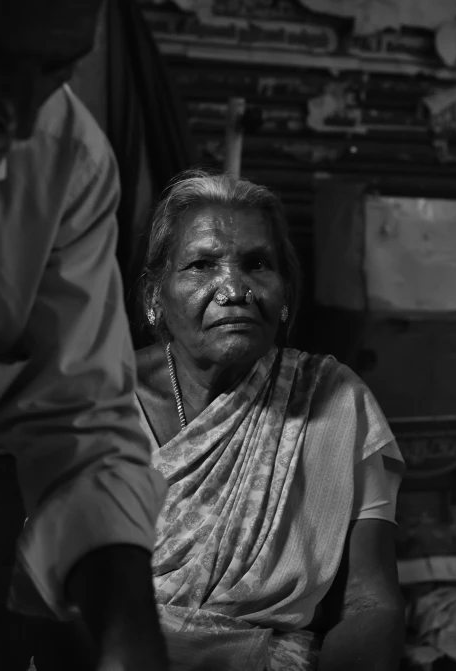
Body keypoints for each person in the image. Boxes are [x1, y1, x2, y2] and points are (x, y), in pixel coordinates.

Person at [0, 0, 168, 669]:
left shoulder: (69, 159)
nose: (19, 116)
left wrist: (128, 624)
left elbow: (79, 417)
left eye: (56, 67)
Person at [135, 169, 406, 671]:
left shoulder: (335, 401)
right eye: (201, 264)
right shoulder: (97, 405)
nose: (234, 288)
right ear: (156, 297)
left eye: (258, 264)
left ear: (284, 295)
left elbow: (371, 604)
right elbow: (52, 594)